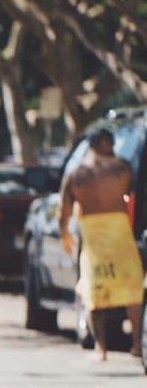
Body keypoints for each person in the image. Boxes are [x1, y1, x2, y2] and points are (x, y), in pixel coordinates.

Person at [59, 128, 144, 361]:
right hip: (120, 233)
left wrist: (65, 235)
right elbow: (137, 196)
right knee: (132, 289)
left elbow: (64, 211)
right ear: (107, 143)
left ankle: (101, 348)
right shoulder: (123, 169)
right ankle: (137, 344)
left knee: (94, 291)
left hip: (92, 235)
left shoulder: (77, 174)